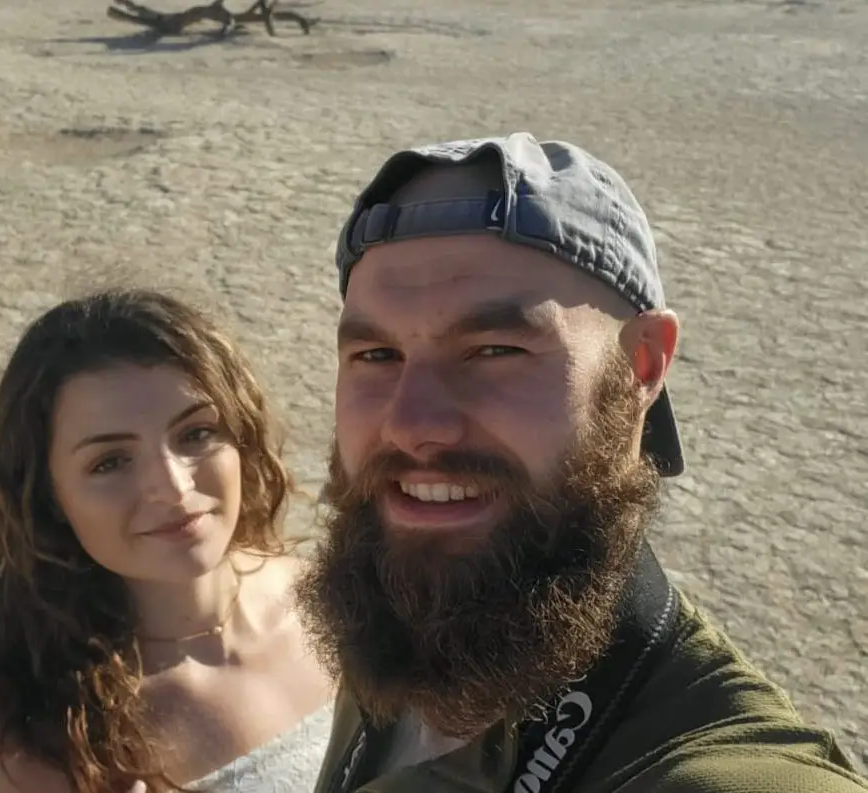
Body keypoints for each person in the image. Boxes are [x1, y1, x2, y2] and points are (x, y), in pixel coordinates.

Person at [294, 132, 868, 793]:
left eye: (493, 350)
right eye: (375, 356)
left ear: (641, 365)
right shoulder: (406, 623)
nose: (414, 424)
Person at [0, 289, 334, 793]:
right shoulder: (20, 752)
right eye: (110, 462)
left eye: (196, 434)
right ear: (47, 497)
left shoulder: (336, 604)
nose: (173, 488)